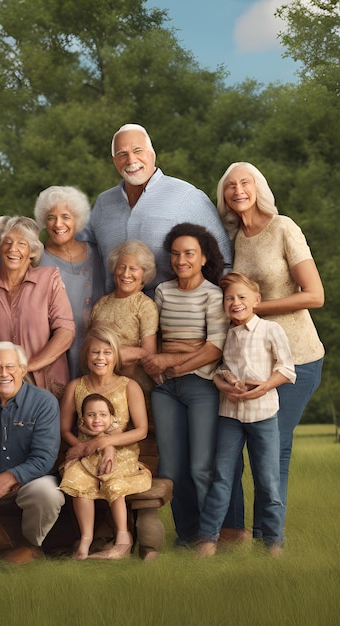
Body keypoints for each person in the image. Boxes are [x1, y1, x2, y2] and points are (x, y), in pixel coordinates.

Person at [216, 162, 325, 538]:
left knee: (271, 447)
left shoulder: (283, 228)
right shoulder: (235, 238)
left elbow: (315, 295)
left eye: (245, 182)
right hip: (252, 358)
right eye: (229, 185)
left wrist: (254, 308)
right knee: (250, 446)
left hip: (297, 355)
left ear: (258, 187)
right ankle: (238, 533)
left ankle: (267, 538)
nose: (237, 190)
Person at [196, 272, 295, 558]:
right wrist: (223, 384)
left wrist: (263, 386)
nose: (235, 302)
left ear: (256, 300)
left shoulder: (270, 330)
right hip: (230, 415)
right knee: (222, 477)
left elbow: (287, 369)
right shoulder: (228, 334)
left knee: (267, 480)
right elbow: (219, 370)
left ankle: (273, 542)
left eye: (241, 297)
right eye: (229, 298)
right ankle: (208, 539)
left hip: (263, 414)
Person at [142, 223, 228, 546]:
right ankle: (187, 534)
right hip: (166, 389)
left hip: (201, 386)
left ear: (204, 258)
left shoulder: (214, 294)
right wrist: (163, 362)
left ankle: (210, 536)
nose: (181, 260)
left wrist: (170, 361)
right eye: (175, 254)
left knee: (202, 467)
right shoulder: (163, 291)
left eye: (189, 253)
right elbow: (158, 340)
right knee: (171, 468)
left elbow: (213, 348)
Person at [81, 123, 232, 296]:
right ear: (114, 161)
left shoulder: (188, 196)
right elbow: (76, 253)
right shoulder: (103, 203)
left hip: (173, 315)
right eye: (122, 154)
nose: (131, 160)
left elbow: (225, 262)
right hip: (113, 316)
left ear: (152, 154)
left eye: (138, 151)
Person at [0, 342, 65, 564]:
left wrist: (9, 477)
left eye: (10, 366)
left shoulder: (44, 402)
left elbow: (44, 458)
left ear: (23, 370)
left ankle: (31, 546)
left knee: (48, 493)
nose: (3, 373)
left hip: (30, 482)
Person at [59, 324, 153, 559]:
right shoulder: (76, 387)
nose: (101, 358)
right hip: (84, 452)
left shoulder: (129, 386)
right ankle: (85, 540)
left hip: (123, 451)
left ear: (116, 357)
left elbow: (141, 430)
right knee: (76, 478)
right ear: (86, 356)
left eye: (107, 352)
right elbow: (64, 429)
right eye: (95, 352)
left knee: (112, 475)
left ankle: (123, 539)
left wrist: (105, 444)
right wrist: (80, 447)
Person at [0, 216, 75, 398]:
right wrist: (2, 366)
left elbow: (65, 330)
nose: (13, 249)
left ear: (32, 251)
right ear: (0, 247)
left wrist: (28, 366)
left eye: (22, 243)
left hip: (43, 382)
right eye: (7, 242)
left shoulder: (49, 279)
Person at [61, 393, 151, 560]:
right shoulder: (83, 424)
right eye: (90, 415)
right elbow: (75, 431)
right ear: (83, 416)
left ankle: (123, 537)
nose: (97, 420)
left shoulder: (112, 425)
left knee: (113, 482)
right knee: (79, 483)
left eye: (103, 415)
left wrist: (107, 447)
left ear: (111, 416)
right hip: (88, 461)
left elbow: (112, 439)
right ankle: (86, 538)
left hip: (115, 458)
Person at [34, 185, 105, 378]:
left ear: (77, 219)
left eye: (65, 217)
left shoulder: (97, 253)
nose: (58, 224)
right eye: (51, 217)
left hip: (100, 352)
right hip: (56, 352)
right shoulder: (37, 260)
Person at [89, 239, 158, 394]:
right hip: (98, 384)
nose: (126, 274)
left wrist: (109, 354)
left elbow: (149, 356)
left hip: (132, 386)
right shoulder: (101, 303)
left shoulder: (145, 305)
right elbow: (88, 346)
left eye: (133, 269)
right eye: (122, 267)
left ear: (144, 273)